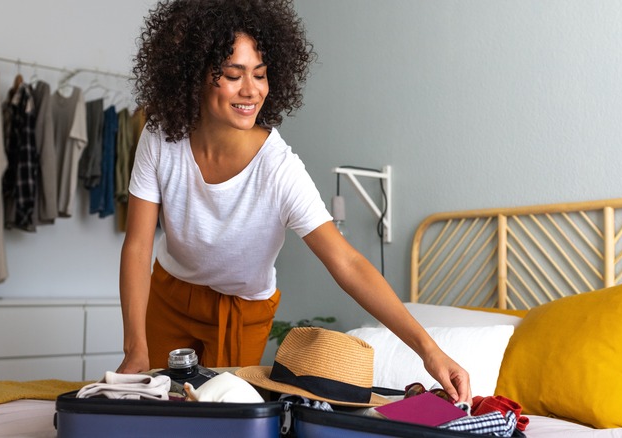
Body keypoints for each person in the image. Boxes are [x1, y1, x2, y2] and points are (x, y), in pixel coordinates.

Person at [116, 0, 472, 404]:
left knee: (218, 417)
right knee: (153, 410)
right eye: (233, 75)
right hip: (170, 293)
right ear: (194, 75)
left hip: (242, 310)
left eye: (261, 75)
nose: (251, 90)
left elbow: (348, 263)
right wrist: (135, 348)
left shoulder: (279, 170)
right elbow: (138, 244)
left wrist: (430, 350)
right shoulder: (161, 137)